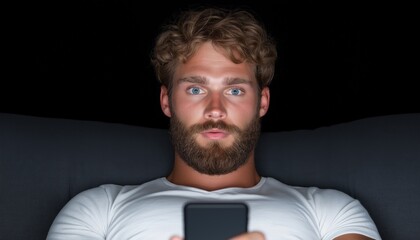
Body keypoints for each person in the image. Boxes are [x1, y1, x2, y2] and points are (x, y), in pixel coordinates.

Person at [46, 6, 381, 240]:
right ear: (166, 101)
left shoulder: (330, 210)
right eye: (196, 88)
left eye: (234, 89)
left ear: (262, 102)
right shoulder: (99, 208)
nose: (215, 109)